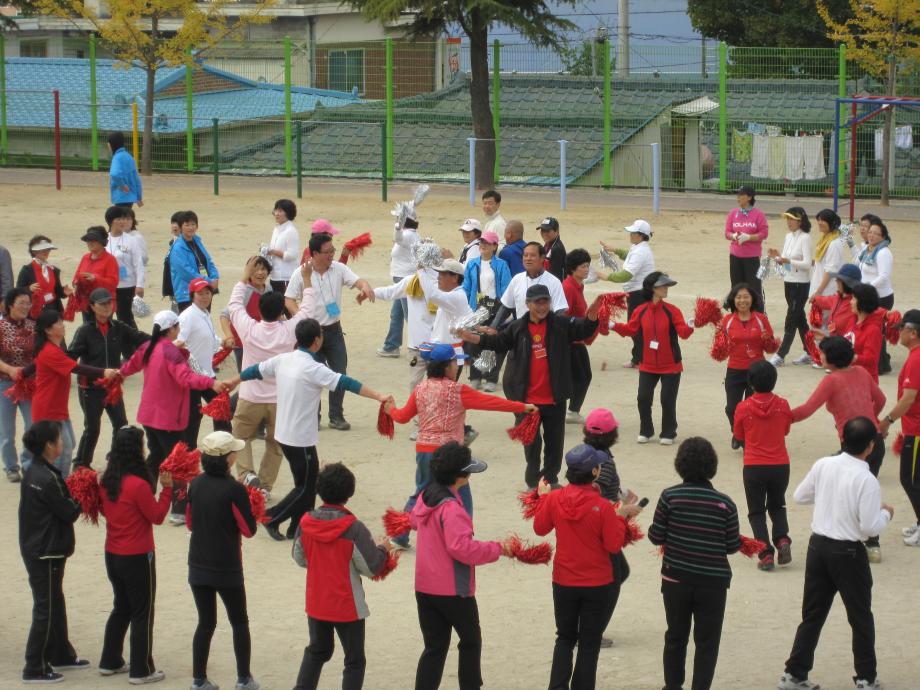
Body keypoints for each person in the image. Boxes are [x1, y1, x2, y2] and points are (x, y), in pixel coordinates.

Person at [238, 318, 391, 541]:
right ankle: (272, 517)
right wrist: (378, 396)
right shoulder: (313, 368)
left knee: (306, 484)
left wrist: (234, 380)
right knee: (306, 487)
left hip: (284, 433)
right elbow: (346, 382)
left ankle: (297, 528)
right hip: (300, 438)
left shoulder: (284, 359)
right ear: (317, 341)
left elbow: (255, 370)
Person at [777, 417, 892, 690]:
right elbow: (868, 528)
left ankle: (794, 674)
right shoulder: (866, 479)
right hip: (849, 552)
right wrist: (886, 514)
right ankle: (866, 677)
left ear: (842, 439)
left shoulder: (823, 464)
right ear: (871, 447)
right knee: (860, 617)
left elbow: (799, 497)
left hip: (818, 547)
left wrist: (831, 497)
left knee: (812, 615)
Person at [385, 342, 533, 548]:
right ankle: (463, 538)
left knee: (421, 492)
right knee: (462, 496)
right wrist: (523, 407)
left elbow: (401, 417)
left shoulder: (421, 389)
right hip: (450, 455)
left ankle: (399, 535)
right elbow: (491, 403)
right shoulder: (458, 391)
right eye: (455, 363)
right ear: (447, 366)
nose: (458, 368)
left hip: (425, 451)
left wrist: (390, 410)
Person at [461, 284, 600, 488]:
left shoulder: (560, 324)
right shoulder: (517, 327)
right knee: (532, 445)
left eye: (545, 302)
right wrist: (473, 338)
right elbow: (498, 342)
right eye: (537, 302)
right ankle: (533, 481)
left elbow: (582, 329)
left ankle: (550, 479)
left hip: (555, 399)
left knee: (555, 445)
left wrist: (592, 317)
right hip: (526, 402)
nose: (542, 306)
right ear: (528, 304)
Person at [533, 444, 643, 690]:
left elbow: (540, 528)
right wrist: (622, 515)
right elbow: (614, 545)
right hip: (597, 583)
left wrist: (543, 498)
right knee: (589, 643)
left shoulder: (554, 499)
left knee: (564, 637)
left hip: (563, 580)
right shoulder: (603, 508)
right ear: (594, 471)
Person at [409, 441, 513, 690]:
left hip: (425, 587)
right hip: (453, 590)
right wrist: (498, 548)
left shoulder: (426, 497)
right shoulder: (452, 509)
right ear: (461, 475)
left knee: (434, 647)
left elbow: (413, 521)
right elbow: (462, 549)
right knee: (470, 641)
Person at [647, 437, 741, 690]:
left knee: (675, 636)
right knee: (707, 643)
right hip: (713, 583)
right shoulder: (726, 504)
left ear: (680, 465)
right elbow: (732, 546)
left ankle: (673, 686)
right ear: (712, 465)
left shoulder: (670, 496)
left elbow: (656, 536)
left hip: (675, 579)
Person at [291, 462, 391, 690]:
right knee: (354, 661)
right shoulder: (354, 528)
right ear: (349, 493)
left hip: (317, 601)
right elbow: (372, 566)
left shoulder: (305, 522)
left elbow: (299, 557)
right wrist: (383, 549)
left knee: (317, 650)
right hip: (347, 606)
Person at [790, 336, 886, 562]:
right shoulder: (862, 372)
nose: (819, 356)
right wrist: (872, 419)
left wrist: (783, 418)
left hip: (851, 444)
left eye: (822, 353)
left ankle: (853, 536)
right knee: (867, 487)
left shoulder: (831, 381)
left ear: (831, 358)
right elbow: (880, 399)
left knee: (847, 487)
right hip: (874, 441)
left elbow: (807, 409)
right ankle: (873, 543)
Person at [231, 260, 315, 495]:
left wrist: (244, 276)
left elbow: (234, 304)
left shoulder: (249, 329)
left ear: (260, 310)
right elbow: (308, 309)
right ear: (281, 312)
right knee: (276, 444)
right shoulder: (289, 331)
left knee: (240, 437)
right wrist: (307, 280)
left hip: (250, 396)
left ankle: (247, 473)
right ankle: (265, 488)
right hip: (281, 399)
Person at [185, 431, 260, 690]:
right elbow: (249, 530)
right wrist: (246, 497)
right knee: (239, 621)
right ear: (228, 458)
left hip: (197, 564)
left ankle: (198, 679)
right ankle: (243, 678)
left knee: (205, 623)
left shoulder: (195, 484)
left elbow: (190, 522)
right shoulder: (235, 490)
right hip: (227, 566)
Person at [98, 426, 172, 684]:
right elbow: (158, 516)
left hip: (113, 553)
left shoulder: (107, 481)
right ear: (137, 451)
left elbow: (107, 513)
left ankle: (110, 660)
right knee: (143, 611)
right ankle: (141, 669)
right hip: (138, 555)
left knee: (122, 607)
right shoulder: (138, 485)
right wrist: (167, 490)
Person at [119, 310, 227, 484]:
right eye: (177, 326)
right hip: (166, 418)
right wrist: (210, 383)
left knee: (156, 455)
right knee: (177, 461)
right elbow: (186, 378)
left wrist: (118, 374)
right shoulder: (170, 352)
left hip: (148, 415)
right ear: (172, 329)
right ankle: (178, 503)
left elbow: (131, 366)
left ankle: (144, 490)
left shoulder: (148, 346)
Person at [18, 420, 88, 684]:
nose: (62, 443)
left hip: (39, 547)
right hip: (45, 551)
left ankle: (61, 654)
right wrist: (85, 490)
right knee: (46, 607)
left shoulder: (35, 471)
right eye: (59, 439)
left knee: (54, 602)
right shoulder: (47, 479)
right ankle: (34, 665)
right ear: (49, 445)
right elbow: (69, 511)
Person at [284, 233, 375, 431]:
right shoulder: (301, 273)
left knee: (339, 372)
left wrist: (365, 286)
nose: (332, 254)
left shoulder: (338, 269)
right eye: (327, 251)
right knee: (311, 376)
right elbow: (289, 299)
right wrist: (299, 314)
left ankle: (336, 415)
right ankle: (312, 417)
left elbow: (357, 281)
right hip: (310, 332)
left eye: (333, 250)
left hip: (333, 331)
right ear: (315, 253)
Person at [20, 309, 117, 477]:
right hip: (48, 409)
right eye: (58, 323)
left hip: (56, 406)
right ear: (48, 330)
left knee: (67, 444)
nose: (62, 325)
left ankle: (43, 474)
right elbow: (76, 368)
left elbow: (36, 365)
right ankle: (60, 485)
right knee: (62, 451)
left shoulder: (51, 348)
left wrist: (21, 373)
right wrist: (104, 372)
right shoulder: (50, 351)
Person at [611, 272, 695, 445]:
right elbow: (631, 329)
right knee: (643, 398)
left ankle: (669, 432)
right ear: (652, 288)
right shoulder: (640, 311)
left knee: (667, 400)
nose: (666, 289)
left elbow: (684, 334)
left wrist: (691, 325)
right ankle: (646, 430)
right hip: (648, 365)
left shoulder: (672, 311)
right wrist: (613, 326)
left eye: (666, 286)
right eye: (662, 286)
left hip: (671, 365)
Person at [68, 287, 148, 469]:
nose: (106, 307)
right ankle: (81, 464)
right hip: (90, 388)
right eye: (102, 304)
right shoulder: (84, 331)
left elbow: (140, 337)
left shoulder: (118, 327)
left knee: (121, 424)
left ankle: (116, 459)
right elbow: (69, 361)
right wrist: (97, 373)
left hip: (112, 386)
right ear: (92, 307)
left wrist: (161, 340)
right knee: (92, 428)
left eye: (109, 303)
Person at [732, 360, 793, 571]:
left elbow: (738, 435)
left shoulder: (743, 407)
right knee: (777, 505)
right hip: (780, 464)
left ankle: (765, 553)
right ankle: (782, 538)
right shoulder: (783, 404)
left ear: (750, 382)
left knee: (756, 511)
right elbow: (785, 430)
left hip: (754, 465)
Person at [716, 283, 777, 447]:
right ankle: (737, 433)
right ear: (733, 300)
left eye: (746, 297)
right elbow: (719, 352)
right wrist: (719, 339)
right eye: (738, 297)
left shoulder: (761, 319)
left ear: (752, 299)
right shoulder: (727, 321)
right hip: (734, 370)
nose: (742, 300)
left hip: (757, 372)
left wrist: (767, 340)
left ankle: (747, 440)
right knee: (731, 408)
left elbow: (771, 349)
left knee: (752, 409)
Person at [878, 309, 920, 547]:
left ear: (913, 333)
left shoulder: (915, 359)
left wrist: (887, 421)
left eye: (902, 330)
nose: (899, 334)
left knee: (910, 479)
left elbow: (908, 398)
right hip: (915, 427)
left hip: (916, 430)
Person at [363, 265, 436, 397]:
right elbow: (391, 291)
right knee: (415, 381)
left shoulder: (441, 283)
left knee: (434, 383)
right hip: (417, 347)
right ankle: (416, 413)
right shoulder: (411, 281)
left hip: (436, 345)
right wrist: (371, 292)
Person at [596, 219, 656, 369]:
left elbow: (626, 275)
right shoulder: (638, 247)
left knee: (635, 328)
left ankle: (641, 359)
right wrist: (615, 250)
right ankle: (639, 358)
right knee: (637, 327)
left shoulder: (641, 252)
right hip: (637, 293)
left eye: (633, 232)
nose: (630, 234)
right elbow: (628, 254)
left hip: (639, 294)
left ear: (640, 235)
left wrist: (605, 276)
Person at [461, 231, 511, 391]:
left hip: (495, 309)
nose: (483, 245)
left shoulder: (501, 265)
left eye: (487, 243)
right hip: (476, 308)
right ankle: (475, 376)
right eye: (482, 242)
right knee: (474, 342)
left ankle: (491, 377)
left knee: (491, 343)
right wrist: (466, 307)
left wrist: (503, 307)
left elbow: (506, 288)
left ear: (495, 246)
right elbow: (466, 287)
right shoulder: (472, 264)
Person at [767, 207, 814, 367]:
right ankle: (811, 351)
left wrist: (788, 261)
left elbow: (807, 264)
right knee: (799, 319)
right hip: (789, 282)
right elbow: (786, 262)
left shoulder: (805, 238)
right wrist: (778, 258)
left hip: (801, 284)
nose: (789, 222)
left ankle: (781, 354)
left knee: (791, 319)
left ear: (800, 221)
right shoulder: (788, 236)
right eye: (787, 219)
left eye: (792, 219)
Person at [0, 287, 35, 481]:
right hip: (5, 383)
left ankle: (28, 462)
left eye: (28, 303)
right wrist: (9, 370)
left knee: (32, 426)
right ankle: (11, 467)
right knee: (6, 431)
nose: (25, 307)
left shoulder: (33, 325)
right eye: (21, 303)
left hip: (29, 383)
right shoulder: (1, 326)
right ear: (10, 305)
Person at [219, 255, 272, 373]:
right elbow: (224, 315)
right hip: (242, 343)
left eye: (263, 269)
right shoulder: (245, 291)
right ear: (248, 272)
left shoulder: (268, 288)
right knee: (247, 378)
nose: (260, 273)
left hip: (261, 340)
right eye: (255, 269)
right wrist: (229, 336)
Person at [377, 213, 420, 358]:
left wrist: (397, 226)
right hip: (402, 278)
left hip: (404, 279)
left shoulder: (408, 235)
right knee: (397, 314)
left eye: (399, 218)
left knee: (409, 315)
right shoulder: (412, 234)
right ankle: (391, 346)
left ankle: (418, 347)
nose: (396, 220)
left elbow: (397, 238)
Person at [562, 248, 596, 424]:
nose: (586, 269)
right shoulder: (568, 287)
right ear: (573, 268)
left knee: (581, 376)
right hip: (571, 340)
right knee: (581, 376)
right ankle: (571, 411)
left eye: (587, 265)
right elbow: (565, 315)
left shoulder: (578, 285)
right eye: (583, 266)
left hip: (576, 339)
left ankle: (572, 411)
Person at [494, 242, 567, 323]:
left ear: (542, 258)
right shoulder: (517, 279)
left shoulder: (554, 282)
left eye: (532, 255)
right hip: (521, 332)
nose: (528, 258)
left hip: (544, 332)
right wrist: (493, 327)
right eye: (525, 255)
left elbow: (560, 311)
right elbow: (506, 307)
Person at [858, 220, 894, 374]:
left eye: (875, 233)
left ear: (883, 236)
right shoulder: (867, 249)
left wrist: (867, 288)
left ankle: (882, 365)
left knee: (877, 330)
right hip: (867, 295)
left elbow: (884, 276)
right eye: (870, 232)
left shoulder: (883, 252)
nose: (871, 235)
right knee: (873, 330)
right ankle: (879, 360)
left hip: (881, 297)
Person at [169, 211, 219, 313]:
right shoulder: (177, 248)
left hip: (204, 290)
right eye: (187, 225)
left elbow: (208, 261)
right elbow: (185, 272)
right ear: (180, 227)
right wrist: (207, 281)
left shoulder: (197, 241)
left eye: (193, 224)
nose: (190, 227)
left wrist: (215, 277)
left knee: (204, 321)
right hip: (187, 294)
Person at [104, 205, 145, 328]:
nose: (123, 222)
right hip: (108, 285)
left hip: (126, 285)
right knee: (106, 317)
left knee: (125, 318)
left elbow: (139, 264)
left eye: (124, 219)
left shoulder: (131, 240)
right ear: (111, 221)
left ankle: (134, 345)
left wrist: (140, 285)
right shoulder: (104, 239)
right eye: (119, 219)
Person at [724, 185, 767, 301]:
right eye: (737, 195)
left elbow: (764, 233)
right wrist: (733, 236)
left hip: (752, 257)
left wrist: (749, 237)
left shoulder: (758, 214)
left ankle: (757, 315)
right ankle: (736, 315)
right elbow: (727, 232)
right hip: (735, 256)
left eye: (741, 195)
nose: (738, 198)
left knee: (754, 288)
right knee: (736, 287)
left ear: (749, 197)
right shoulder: (733, 213)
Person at [73, 226, 119, 322]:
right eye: (88, 240)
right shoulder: (85, 257)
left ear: (102, 242)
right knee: (88, 329)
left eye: (93, 240)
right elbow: (77, 275)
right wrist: (76, 283)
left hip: (103, 303)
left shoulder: (110, 260)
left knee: (103, 331)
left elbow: (113, 283)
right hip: (86, 302)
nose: (90, 243)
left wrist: (95, 278)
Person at [17, 235, 69, 318]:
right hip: (34, 312)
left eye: (48, 250)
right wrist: (29, 289)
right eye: (43, 250)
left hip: (53, 310)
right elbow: (18, 291)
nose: (46, 252)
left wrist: (64, 292)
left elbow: (57, 291)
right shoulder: (26, 270)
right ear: (34, 252)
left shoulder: (54, 270)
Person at [810, 263, 861, 341]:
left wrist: (826, 339)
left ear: (847, 283)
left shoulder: (855, 305)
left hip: (844, 347)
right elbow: (826, 300)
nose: (836, 281)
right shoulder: (838, 297)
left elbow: (849, 339)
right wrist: (815, 299)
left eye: (839, 280)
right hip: (835, 341)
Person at [809, 209, 849, 301]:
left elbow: (831, 270)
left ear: (831, 223)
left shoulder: (834, 243)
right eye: (818, 220)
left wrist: (818, 292)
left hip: (827, 292)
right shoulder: (825, 239)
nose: (819, 222)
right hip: (819, 286)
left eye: (823, 220)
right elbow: (823, 262)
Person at [849, 283, 885, 383]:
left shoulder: (873, 330)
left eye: (853, 299)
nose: (850, 302)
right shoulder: (853, 321)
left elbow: (871, 360)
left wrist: (850, 357)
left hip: (865, 381)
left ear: (862, 302)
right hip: (851, 377)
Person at [266, 199, 301, 294]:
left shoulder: (291, 231)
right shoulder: (276, 229)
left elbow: (292, 255)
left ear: (288, 213)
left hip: (286, 277)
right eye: (276, 210)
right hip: (275, 275)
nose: (277, 213)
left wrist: (273, 252)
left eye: (280, 211)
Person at [108, 131, 142, 208]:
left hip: (120, 197)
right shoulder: (129, 157)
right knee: (128, 218)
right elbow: (136, 179)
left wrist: (122, 185)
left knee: (121, 218)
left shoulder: (117, 158)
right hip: (130, 199)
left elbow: (114, 174)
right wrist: (139, 197)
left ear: (110, 145)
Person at [161, 212, 182, 313]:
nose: (175, 225)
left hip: (182, 290)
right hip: (174, 289)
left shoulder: (186, 245)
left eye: (178, 223)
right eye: (173, 222)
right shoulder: (173, 242)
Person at [538, 217, 566, 281]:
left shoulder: (557, 249)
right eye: (542, 230)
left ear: (557, 231)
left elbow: (555, 276)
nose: (544, 233)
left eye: (547, 231)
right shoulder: (548, 244)